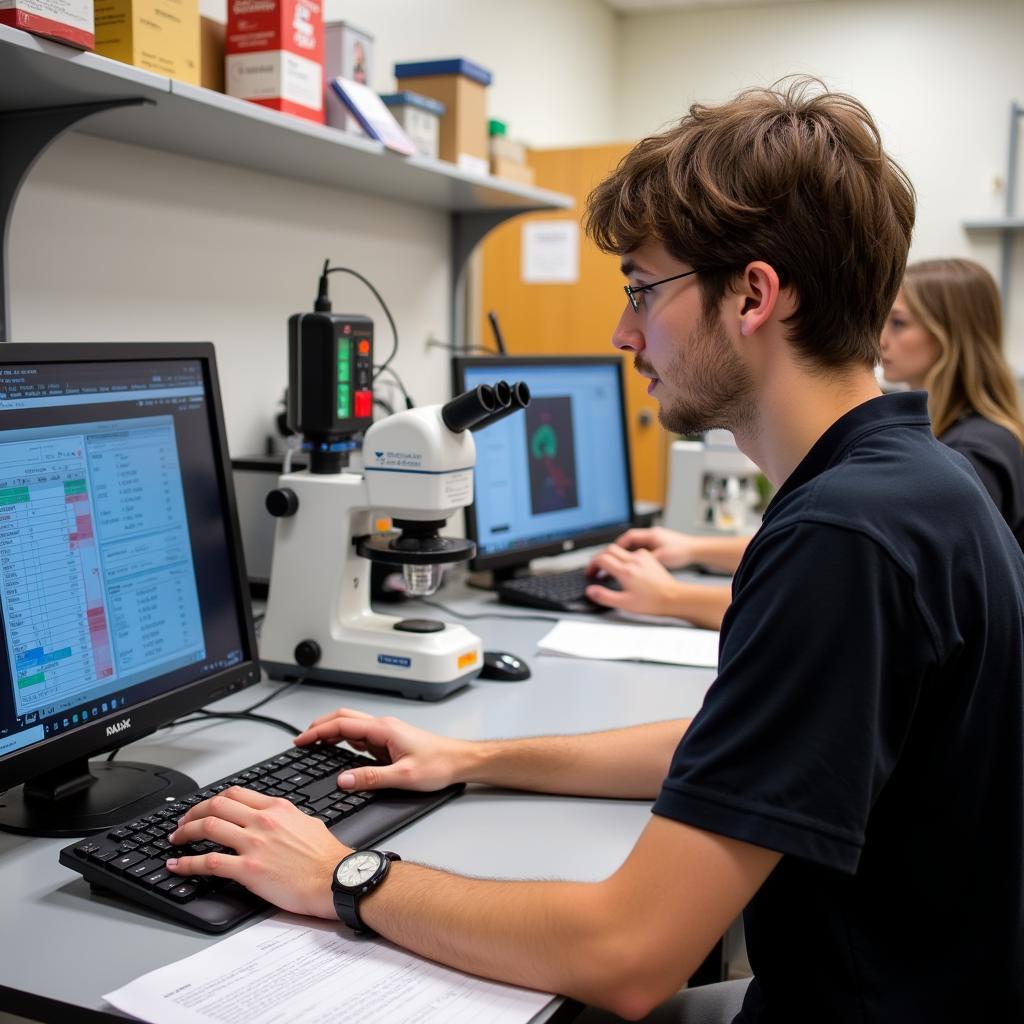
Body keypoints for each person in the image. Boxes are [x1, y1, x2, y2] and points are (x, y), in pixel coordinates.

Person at [165, 79, 1024, 1022]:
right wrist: (471, 757)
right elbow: (738, 750)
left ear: (754, 294)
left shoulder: (844, 539)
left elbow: (628, 955)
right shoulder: (908, 483)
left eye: (642, 291)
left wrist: (342, 873)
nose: (625, 333)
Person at [591, 257, 1024, 625]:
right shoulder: (919, 455)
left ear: (754, 298)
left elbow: (832, 586)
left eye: (645, 290)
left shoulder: (955, 464)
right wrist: (693, 549)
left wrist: (671, 599)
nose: (882, 338)